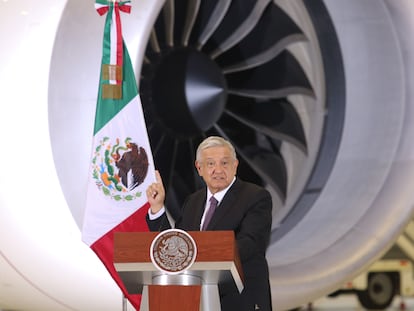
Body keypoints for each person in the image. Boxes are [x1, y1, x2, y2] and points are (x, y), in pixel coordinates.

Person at [146, 136, 273, 311]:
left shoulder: (256, 196)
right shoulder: (192, 201)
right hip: (197, 300)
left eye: (225, 163)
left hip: (240, 301)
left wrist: (201, 254)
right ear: (199, 168)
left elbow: (251, 243)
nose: (218, 170)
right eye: (211, 164)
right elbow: (177, 248)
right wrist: (158, 207)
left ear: (235, 165)